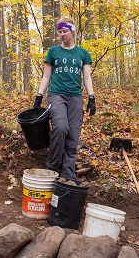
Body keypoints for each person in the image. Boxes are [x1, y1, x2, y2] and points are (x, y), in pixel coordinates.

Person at [33, 17, 96, 180]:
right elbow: (47, 76)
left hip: (75, 97)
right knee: (61, 127)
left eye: (65, 31)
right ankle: (52, 167)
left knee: (73, 134)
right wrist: (39, 95)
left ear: (72, 32)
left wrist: (91, 97)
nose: (61, 34)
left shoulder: (82, 53)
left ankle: (68, 172)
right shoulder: (53, 52)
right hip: (57, 95)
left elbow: (87, 78)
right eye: (59, 32)